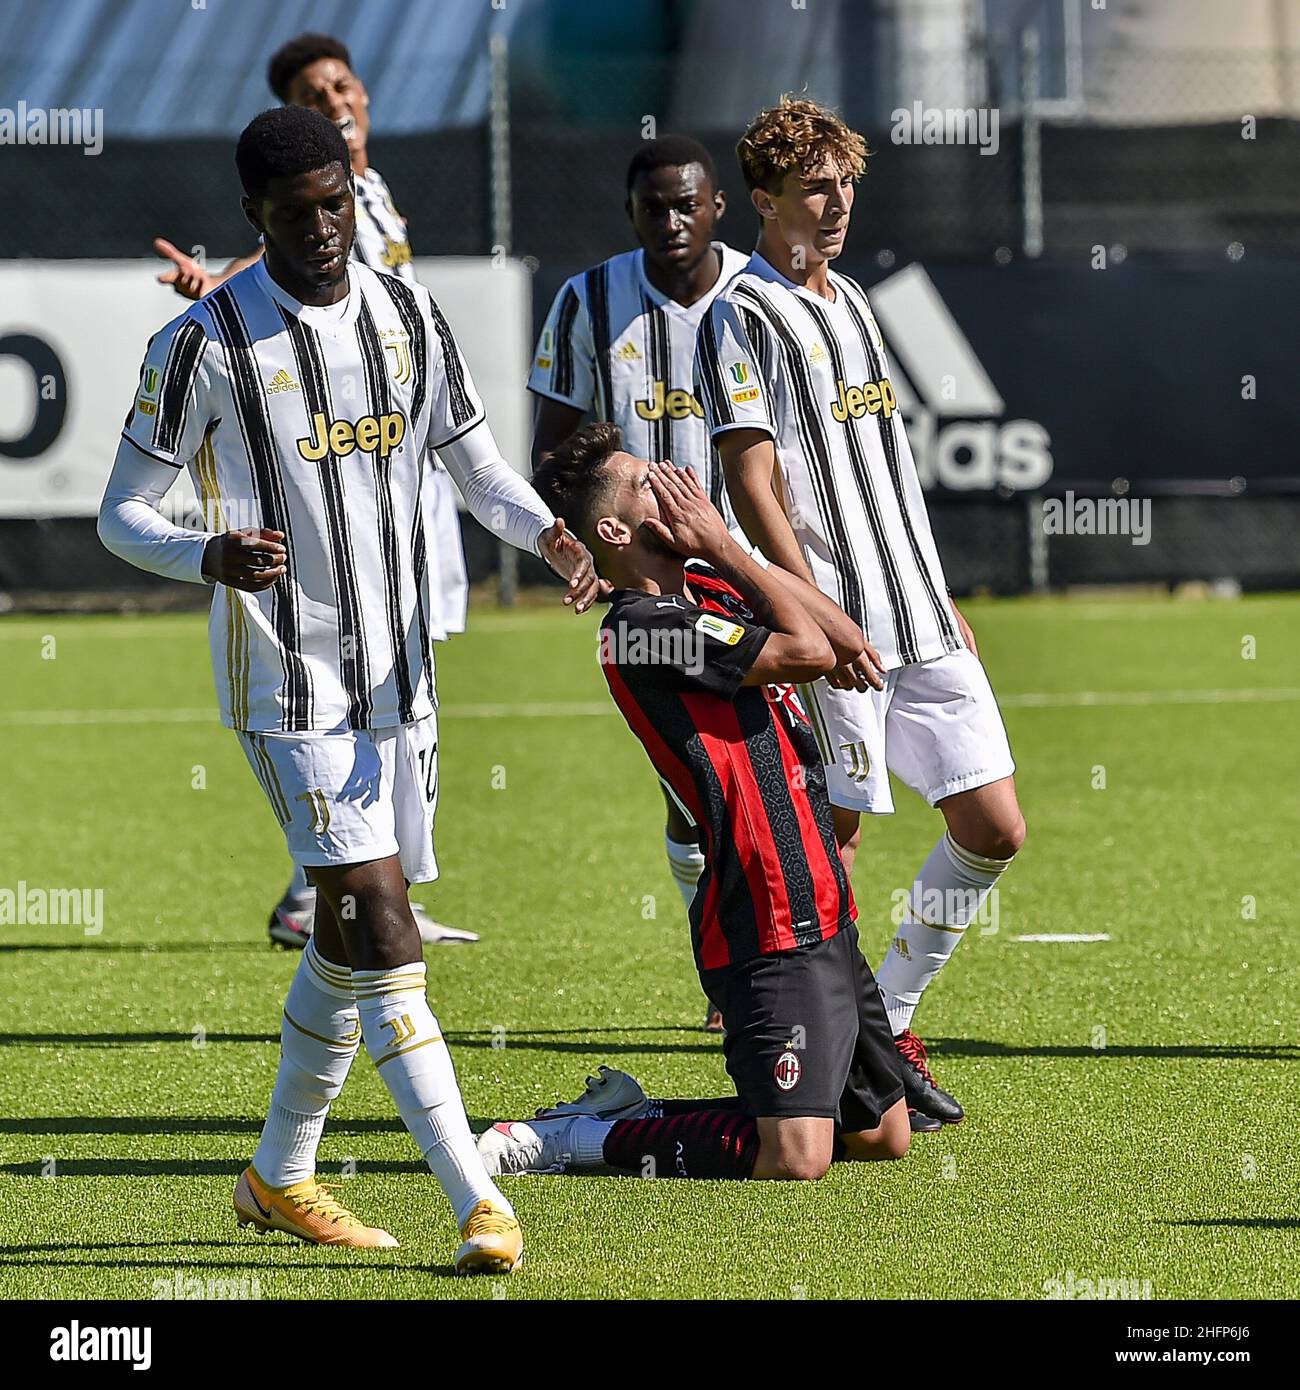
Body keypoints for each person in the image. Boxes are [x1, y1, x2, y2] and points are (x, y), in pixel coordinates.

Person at [99, 107, 600, 1270]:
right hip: (285, 683)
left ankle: (278, 1175)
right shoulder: (207, 344)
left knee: (346, 933)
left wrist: (553, 536)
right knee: (380, 915)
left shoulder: (408, 312)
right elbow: (121, 512)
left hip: (401, 679)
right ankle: (478, 1200)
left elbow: (475, 466)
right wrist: (207, 552)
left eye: (335, 203)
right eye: (296, 213)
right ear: (253, 218)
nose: (325, 230)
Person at [695, 96, 1026, 1128]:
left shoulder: (854, 301)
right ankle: (823, 1061)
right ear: (762, 198)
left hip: (918, 613)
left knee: (993, 824)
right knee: (828, 844)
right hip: (835, 625)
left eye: (844, 186)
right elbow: (753, 483)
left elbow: (886, 470)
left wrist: (941, 593)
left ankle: (894, 1011)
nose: (833, 206)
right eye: (812, 190)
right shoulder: (739, 313)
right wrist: (812, 615)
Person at [478, 425, 910, 1182]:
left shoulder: (706, 586)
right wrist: (729, 548)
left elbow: (843, 638)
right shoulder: (640, 633)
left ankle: (627, 1115)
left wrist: (723, 550)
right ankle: (578, 1141)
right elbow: (807, 654)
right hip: (763, 907)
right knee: (795, 1159)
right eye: (651, 484)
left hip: (823, 894)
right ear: (614, 530)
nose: (677, 487)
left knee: (881, 1137)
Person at [152, 30, 472, 948]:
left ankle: (376, 885)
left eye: (341, 84)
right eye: (311, 92)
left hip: (399, 473)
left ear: (364, 95)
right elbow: (289, 271)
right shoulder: (320, 221)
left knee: (403, 677)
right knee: (352, 684)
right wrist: (219, 283)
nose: (334, 100)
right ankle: (330, 891)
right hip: (344, 490)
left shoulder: (372, 191)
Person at [528, 135, 749, 1029]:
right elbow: (555, 450)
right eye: (653, 207)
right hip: (659, 587)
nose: (671, 221)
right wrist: (580, 546)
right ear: (631, 213)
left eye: (687, 203)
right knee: (696, 786)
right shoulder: (586, 301)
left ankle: (791, 962)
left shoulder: (762, 293)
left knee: (796, 773)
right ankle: (728, 959)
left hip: (761, 567)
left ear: (718, 206)